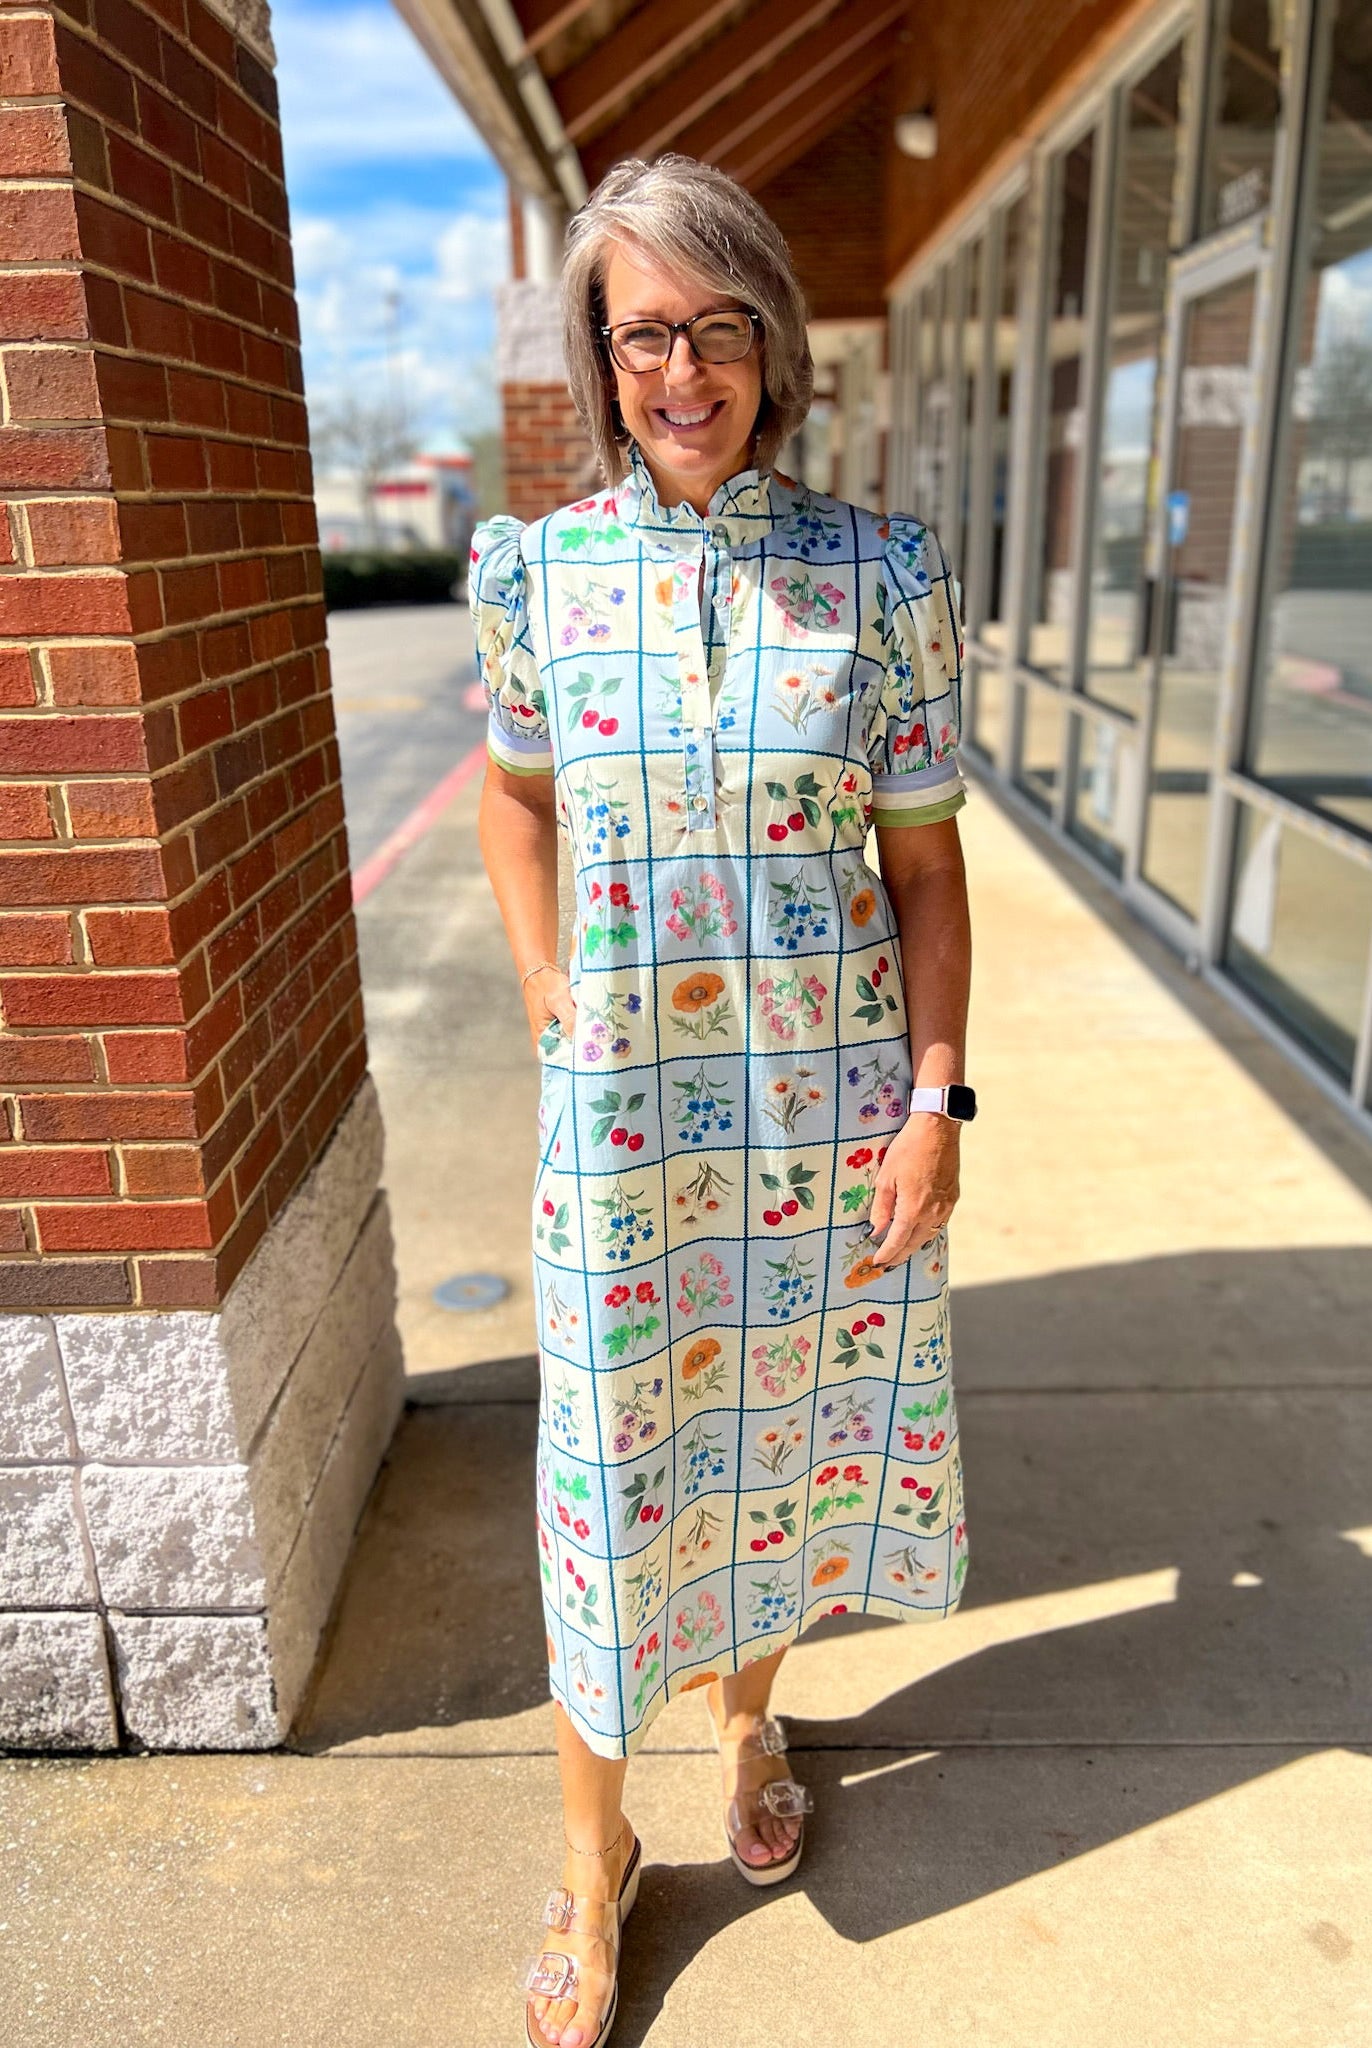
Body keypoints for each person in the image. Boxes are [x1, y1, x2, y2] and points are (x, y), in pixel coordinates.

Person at [474, 153, 974, 2048]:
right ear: (603, 361)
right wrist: (544, 990)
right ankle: (593, 1858)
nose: (681, 368)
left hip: (828, 1117)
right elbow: (517, 802)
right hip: (621, 1135)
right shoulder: (539, 575)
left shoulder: (885, 574)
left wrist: (941, 1103)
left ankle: (751, 1716)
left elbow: (924, 870)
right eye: (642, 333)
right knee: (609, 1479)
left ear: (773, 336)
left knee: (774, 1446)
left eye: (716, 325)